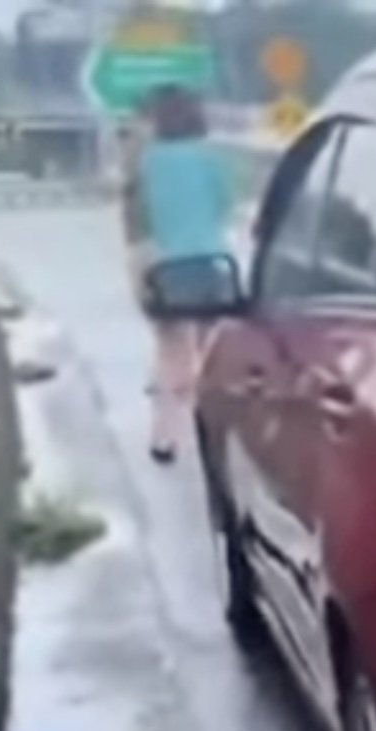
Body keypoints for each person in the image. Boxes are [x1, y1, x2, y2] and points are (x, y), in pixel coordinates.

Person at [124, 83, 233, 464]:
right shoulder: (211, 156)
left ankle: (165, 438)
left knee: (170, 351)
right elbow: (224, 207)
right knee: (211, 348)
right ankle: (213, 428)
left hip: (167, 268)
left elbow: (142, 218)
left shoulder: (149, 162)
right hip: (213, 265)